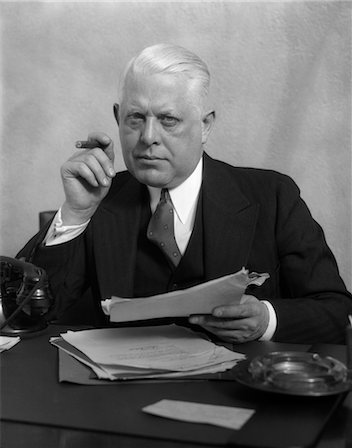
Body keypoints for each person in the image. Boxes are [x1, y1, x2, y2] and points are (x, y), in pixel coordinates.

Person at [18, 43, 352, 344]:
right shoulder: (99, 199)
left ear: (205, 125)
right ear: (118, 117)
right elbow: (23, 315)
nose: (148, 137)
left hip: (236, 395)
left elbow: (337, 312)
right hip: (118, 401)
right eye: (136, 118)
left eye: (168, 120)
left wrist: (267, 319)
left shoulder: (273, 196)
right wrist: (76, 214)